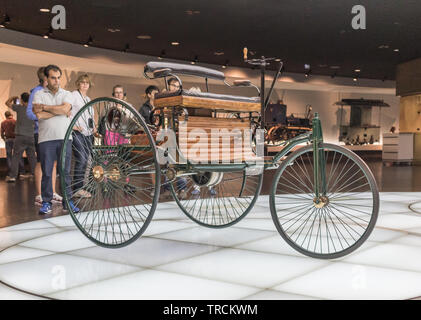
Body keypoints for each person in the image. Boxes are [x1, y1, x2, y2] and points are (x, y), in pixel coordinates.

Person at [32, 64, 79, 215]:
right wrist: (59, 110)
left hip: (65, 138)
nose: (57, 81)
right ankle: (46, 202)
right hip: (46, 139)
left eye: (59, 78)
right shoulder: (38, 94)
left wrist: (46, 108)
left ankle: (68, 202)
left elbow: (66, 109)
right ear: (46, 78)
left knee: (65, 172)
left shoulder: (66, 93)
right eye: (53, 78)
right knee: (47, 172)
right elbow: (39, 115)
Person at [27, 67, 62, 205]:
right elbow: (30, 113)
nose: (54, 79)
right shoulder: (36, 91)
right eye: (51, 76)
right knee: (41, 163)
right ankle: (39, 195)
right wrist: (44, 116)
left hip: (53, 133)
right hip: (40, 133)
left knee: (53, 163)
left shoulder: (53, 93)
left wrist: (50, 112)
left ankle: (51, 193)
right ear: (45, 77)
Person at [5, 93, 37, 182]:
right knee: (32, 157)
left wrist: (13, 97)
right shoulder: (33, 109)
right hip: (31, 136)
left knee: (16, 156)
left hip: (20, 136)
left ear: (22, 100)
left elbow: (7, 103)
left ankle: (13, 176)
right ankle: (35, 174)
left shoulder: (19, 108)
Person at [71, 74, 94, 198]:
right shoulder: (74, 95)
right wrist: (72, 125)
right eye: (82, 82)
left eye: (87, 83)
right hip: (77, 132)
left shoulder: (88, 99)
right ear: (78, 83)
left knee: (87, 160)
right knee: (82, 159)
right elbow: (67, 111)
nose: (85, 85)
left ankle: (81, 186)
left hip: (88, 132)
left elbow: (89, 116)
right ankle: (77, 188)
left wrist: (94, 127)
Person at [1, 111, 24, 177]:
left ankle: (12, 173)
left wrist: (4, 139)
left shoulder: (3, 123)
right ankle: (21, 172)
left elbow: (2, 133)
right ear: (11, 115)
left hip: (8, 140)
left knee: (9, 156)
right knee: (18, 155)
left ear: (5, 116)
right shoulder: (15, 121)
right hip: (16, 139)